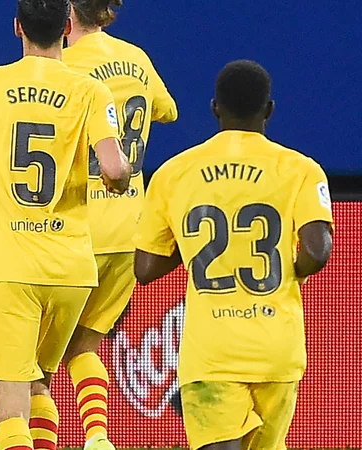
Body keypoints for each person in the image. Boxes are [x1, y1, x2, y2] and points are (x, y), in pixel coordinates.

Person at [0, 1, 130, 450]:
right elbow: (115, 169)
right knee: (40, 384)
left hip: (11, 267)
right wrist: (116, 184)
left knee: (10, 402)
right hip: (72, 269)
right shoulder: (91, 91)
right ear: (67, 26)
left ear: (17, 27)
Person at [134, 60, 333, 450]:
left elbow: (145, 268)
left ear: (214, 107)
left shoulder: (175, 173)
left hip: (212, 352)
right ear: (269, 110)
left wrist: (195, 242)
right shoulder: (301, 170)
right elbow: (317, 248)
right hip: (277, 347)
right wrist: (295, 271)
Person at [56, 1, 177, 449]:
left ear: (67, 13)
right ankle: (98, 439)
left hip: (73, 229)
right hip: (129, 228)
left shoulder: (63, 66)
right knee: (84, 345)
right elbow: (168, 111)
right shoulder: (138, 59)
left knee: (25, 362)